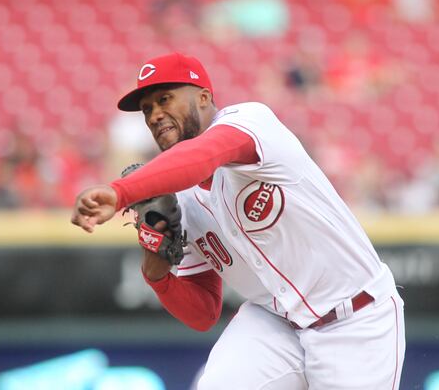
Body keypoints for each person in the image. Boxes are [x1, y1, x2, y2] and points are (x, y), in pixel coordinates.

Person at [70, 53, 405, 389]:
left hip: (356, 319)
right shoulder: (178, 199)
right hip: (274, 322)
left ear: (204, 97)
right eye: (147, 109)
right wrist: (156, 273)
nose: (155, 114)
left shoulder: (250, 122)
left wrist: (120, 192)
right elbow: (203, 313)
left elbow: (204, 155)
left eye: (165, 99)